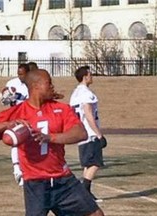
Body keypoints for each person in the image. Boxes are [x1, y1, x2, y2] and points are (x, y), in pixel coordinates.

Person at [0, 69, 104, 216]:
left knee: (95, 214)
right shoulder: (18, 112)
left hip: (62, 179)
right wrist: (7, 125)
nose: (52, 86)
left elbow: (81, 133)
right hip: (35, 183)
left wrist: (50, 137)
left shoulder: (61, 109)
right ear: (35, 86)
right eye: (48, 83)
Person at [69, 66, 107, 202]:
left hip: (81, 132)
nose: (92, 76)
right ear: (85, 76)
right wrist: (99, 134)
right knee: (95, 163)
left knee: (88, 164)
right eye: (90, 74)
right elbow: (89, 114)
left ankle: (86, 193)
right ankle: (84, 190)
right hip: (89, 132)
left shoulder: (75, 93)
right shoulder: (86, 93)